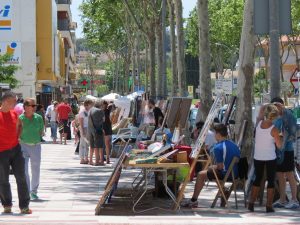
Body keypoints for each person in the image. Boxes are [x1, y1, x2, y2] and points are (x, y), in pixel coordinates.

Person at [182, 123, 240, 208]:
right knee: (212, 172)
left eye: (214, 133)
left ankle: (194, 200)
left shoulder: (218, 147)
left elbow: (220, 167)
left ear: (218, 134)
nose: (214, 136)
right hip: (235, 173)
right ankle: (223, 191)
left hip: (227, 174)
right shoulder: (234, 145)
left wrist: (212, 167)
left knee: (201, 174)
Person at [0, 92, 31, 214]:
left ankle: (24, 206)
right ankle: (7, 204)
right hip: (2, 151)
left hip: (16, 149)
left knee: (21, 177)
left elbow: (20, 125)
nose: (16, 103)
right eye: (14, 101)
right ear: (6, 101)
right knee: (3, 179)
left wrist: (17, 137)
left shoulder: (14, 113)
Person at [248, 104, 283, 213]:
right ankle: (268, 205)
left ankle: (251, 202)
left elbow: (261, 111)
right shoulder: (274, 129)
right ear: (274, 117)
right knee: (271, 181)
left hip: (258, 156)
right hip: (270, 157)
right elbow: (279, 145)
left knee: (257, 179)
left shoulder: (258, 124)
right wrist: (281, 136)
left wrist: (268, 106)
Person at [271, 97, 300, 209]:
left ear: (282, 105)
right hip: (278, 151)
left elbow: (292, 132)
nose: (276, 107)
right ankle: (282, 199)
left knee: (289, 174)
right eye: (274, 106)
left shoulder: (289, 115)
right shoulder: (274, 117)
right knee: (280, 175)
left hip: (287, 150)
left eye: (277, 105)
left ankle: (294, 199)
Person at [19, 98, 44, 201]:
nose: (34, 107)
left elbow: (41, 132)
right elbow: (18, 132)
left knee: (35, 169)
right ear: (25, 107)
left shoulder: (38, 118)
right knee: (24, 170)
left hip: (35, 146)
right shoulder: (20, 118)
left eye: (35, 106)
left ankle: (34, 191)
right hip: (23, 146)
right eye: (32, 106)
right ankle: (27, 190)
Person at [88, 99, 105, 166]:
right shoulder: (100, 111)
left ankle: (91, 161)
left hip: (91, 130)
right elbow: (104, 120)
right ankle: (99, 161)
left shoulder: (91, 110)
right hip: (98, 130)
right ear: (100, 105)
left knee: (92, 146)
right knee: (99, 146)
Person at [78, 99, 93, 164]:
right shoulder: (82, 112)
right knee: (82, 144)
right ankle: (82, 159)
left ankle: (86, 158)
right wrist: (82, 131)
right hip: (84, 128)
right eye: (91, 104)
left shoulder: (89, 111)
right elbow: (81, 122)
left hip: (88, 128)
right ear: (87, 104)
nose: (92, 105)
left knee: (87, 144)